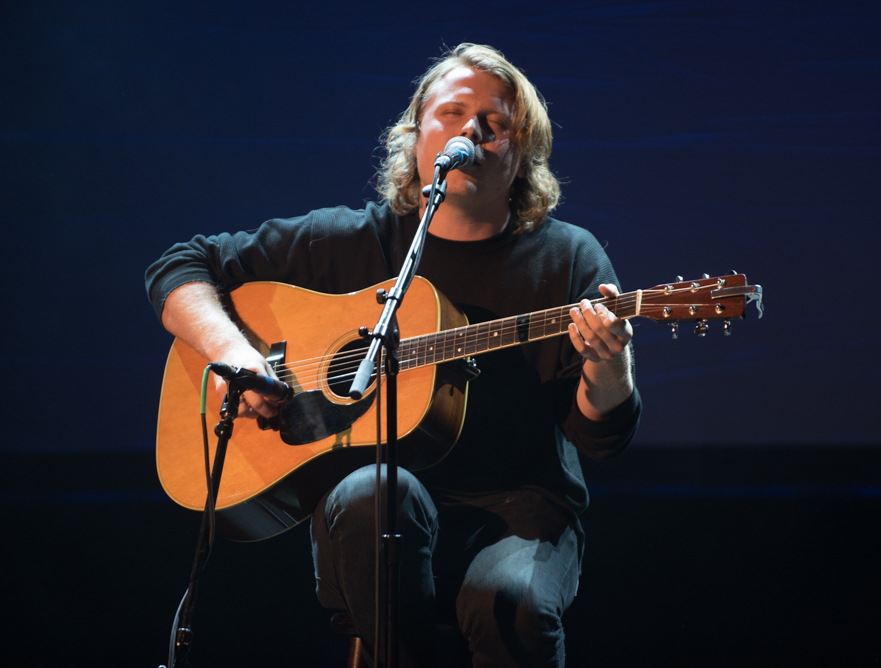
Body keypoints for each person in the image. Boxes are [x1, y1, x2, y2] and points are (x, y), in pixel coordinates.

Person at [146, 43, 641, 667]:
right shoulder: (351, 242)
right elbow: (180, 265)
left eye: (497, 121)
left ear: (522, 158)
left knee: (506, 604)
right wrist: (236, 355)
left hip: (518, 512)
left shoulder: (566, 257)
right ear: (415, 137)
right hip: (376, 521)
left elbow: (601, 440)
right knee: (372, 492)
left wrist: (608, 362)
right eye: (453, 111)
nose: (472, 128)